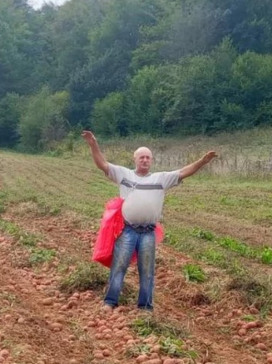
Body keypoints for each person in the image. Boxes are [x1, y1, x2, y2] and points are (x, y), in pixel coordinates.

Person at [81, 130, 218, 312]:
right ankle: (110, 302)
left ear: (151, 160)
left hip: (148, 232)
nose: (144, 160)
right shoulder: (124, 175)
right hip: (128, 230)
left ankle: (145, 307)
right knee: (119, 266)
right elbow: (102, 164)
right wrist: (93, 144)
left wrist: (202, 162)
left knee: (147, 270)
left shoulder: (160, 179)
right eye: (141, 157)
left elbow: (185, 172)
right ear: (135, 159)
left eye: (148, 158)